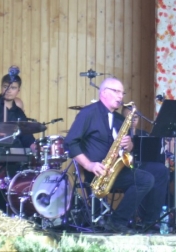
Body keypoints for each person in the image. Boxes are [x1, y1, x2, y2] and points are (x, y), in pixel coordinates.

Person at [65, 77, 168, 233]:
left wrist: (130, 144)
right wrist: (89, 165)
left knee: (160, 171)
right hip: (98, 172)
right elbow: (70, 143)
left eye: (122, 93)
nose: (121, 96)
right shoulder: (88, 113)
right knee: (145, 179)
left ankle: (149, 222)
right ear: (104, 93)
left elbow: (128, 149)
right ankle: (117, 221)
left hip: (118, 168)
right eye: (116, 91)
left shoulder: (120, 119)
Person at [0, 73, 35, 148]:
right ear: (1, 87)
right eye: (5, 87)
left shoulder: (19, 113)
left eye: (13, 88)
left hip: (15, 152)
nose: (8, 91)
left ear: (18, 90)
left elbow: (27, 138)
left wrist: (35, 147)